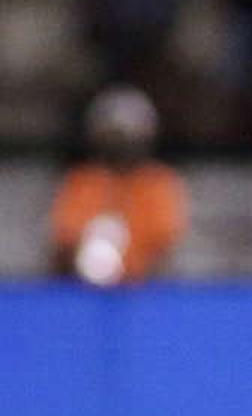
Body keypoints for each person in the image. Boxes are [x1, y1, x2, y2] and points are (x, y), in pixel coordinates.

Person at [49, 85, 188, 285]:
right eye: (114, 135)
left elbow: (164, 247)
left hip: (145, 292)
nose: (123, 145)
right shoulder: (82, 181)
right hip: (82, 291)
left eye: (130, 136)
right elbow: (65, 241)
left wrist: (131, 270)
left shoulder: (159, 182)